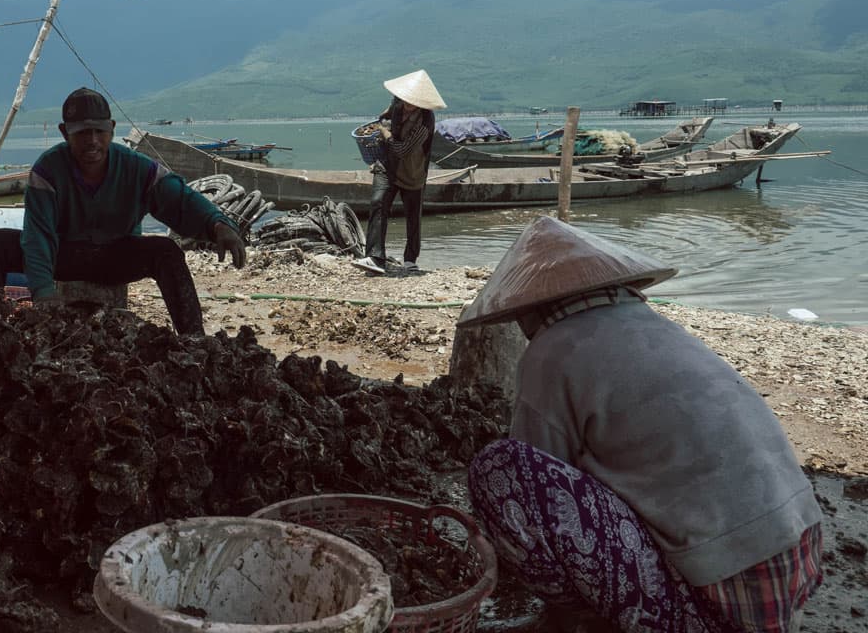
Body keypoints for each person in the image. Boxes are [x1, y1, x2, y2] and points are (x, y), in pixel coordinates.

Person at [458, 215, 823, 632]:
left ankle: (573, 623)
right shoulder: (660, 329)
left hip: (720, 607)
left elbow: (534, 477)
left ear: (531, 310)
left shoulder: (553, 350)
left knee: (501, 469)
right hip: (790, 576)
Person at [0, 87, 245, 335]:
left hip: (116, 255)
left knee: (166, 251)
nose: (93, 141)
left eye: (99, 131)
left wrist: (217, 224)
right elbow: (38, 237)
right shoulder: (47, 170)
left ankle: (194, 340)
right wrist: (44, 294)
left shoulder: (137, 168)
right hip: (65, 253)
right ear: (65, 132)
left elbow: (179, 199)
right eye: (83, 132)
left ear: (111, 128)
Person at [352, 69, 446, 276]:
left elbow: (403, 150)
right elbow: (382, 117)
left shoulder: (425, 121)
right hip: (386, 166)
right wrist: (383, 121)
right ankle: (375, 257)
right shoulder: (396, 103)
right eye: (405, 98)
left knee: (413, 215)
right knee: (378, 203)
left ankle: (411, 259)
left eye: (413, 101)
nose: (407, 103)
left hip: (412, 172)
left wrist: (384, 133)